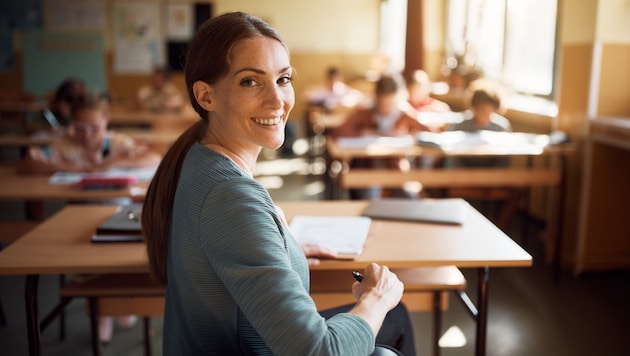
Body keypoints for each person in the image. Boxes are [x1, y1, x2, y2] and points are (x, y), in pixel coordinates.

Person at [142, 12, 416, 355]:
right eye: (250, 82)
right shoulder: (230, 197)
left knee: (396, 321)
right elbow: (318, 351)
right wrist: (376, 298)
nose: (277, 100)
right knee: (389, 323)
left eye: (283, 79)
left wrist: (280, 250)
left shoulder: (197, 159)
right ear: (205, 96)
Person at [329, 73, 434, 199]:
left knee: (410, 198)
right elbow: (337, 132)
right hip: (367, 168)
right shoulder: (366, 111)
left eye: (390, 103)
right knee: (370, 195)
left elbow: (431, 132)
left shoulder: (403, 112)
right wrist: (361, 133)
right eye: (383, 103)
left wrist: (410, 136)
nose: (387, 108)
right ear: (377, 98)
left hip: (396, 169)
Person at [16, 93, 162, 175]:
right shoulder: (64, 145)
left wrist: (116, 162)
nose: (87, 134)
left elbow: (155, 158)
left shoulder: (116, 142)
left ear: (106, 122)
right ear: (72, 122)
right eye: (80, 127)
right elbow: (25, 165)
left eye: (94, 128)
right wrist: (66, 168)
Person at [446, 78, 520, 230]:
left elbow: (504, 159)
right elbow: (451, 155)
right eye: (480, 108)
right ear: (473, 107)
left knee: (517, 188)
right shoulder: (459, 125)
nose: (484, 113)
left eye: (488, 109)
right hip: (464, 174)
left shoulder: (501, 127)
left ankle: (500, 228)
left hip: (491, 175)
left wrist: (493, 177)